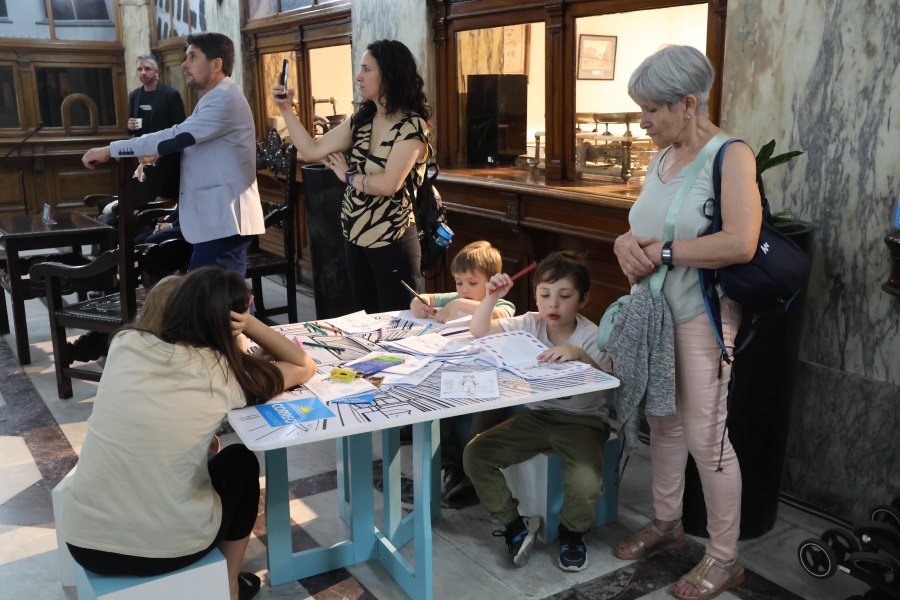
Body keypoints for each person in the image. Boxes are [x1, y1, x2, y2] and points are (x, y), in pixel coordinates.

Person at [61, 267, 316, 600]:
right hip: (169, 548)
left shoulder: (126, 343)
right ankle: (229, 586)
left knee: (201, 451)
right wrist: (251, 325)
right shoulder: (227, 373)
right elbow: (303, 364)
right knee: (240, 462)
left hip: (84, 542)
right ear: (235, 318)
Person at [610, 45, 760, 600]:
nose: (642, 121)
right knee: (665, 424)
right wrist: (626, 242)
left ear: (689, 104)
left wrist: (666, 252)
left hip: (700, 315)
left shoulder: (731, 155)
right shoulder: (661, 158)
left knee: (707, 437)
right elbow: (647, 226)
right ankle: (668, 524)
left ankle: (725, 558)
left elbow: (740, 242)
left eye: (651, 110)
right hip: (655, 314)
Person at [463, 251, 612, 572]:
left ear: (583, 300)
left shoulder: (592, 336)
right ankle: (515, 527)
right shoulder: (530, 322)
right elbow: (478, 331)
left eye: (565, 296)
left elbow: (607, 391)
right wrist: (491, 298)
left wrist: (581, 356)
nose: (553, 305)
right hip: (536, 416)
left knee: (585, 482)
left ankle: (572, 534)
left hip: (582, 422)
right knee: (476, 454)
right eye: (544, 295)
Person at [82, 33, 265, 277]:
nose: (184, 64)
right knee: (219, 302)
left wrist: (111, 150)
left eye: (192, 57)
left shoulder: (224, 98)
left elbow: (177, 136)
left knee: (220, 303)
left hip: (225, 221)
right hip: (214, 220)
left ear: (216, 64)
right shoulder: (214, 96)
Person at [274, 39, 430, 312]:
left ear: (389, 74)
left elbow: (388, 185)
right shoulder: (362, 119)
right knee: (367, 323)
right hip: (354, 235)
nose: (359, 77)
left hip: (392, 238)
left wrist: (348, 177)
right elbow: (312, 149)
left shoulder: (412, 124)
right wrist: (286, 109)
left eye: (367, 69)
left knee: (398, 325)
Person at [409, 240, 516, 506]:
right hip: (455, 371)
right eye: (458, 283)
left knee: (480, 425)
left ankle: (471, 478)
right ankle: (450, 467)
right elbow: (418, 299)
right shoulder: (458, 298)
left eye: (471, 283)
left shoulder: (504, 304)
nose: (463, 290)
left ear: (492, 283)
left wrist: (458, 305)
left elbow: (499, 314)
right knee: (439, 415)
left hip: (494, 381)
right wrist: (419, 306)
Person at [127, 55, 186, 205]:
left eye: (147, 69)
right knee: (141, 199)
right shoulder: (134, 96)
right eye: (139, 69)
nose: (143, 73)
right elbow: (132, 126)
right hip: (142, 158)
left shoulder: (170, 95)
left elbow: (181, 126)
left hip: (165, 158)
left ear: (156, 71)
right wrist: (129, 126)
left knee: (162, 200)